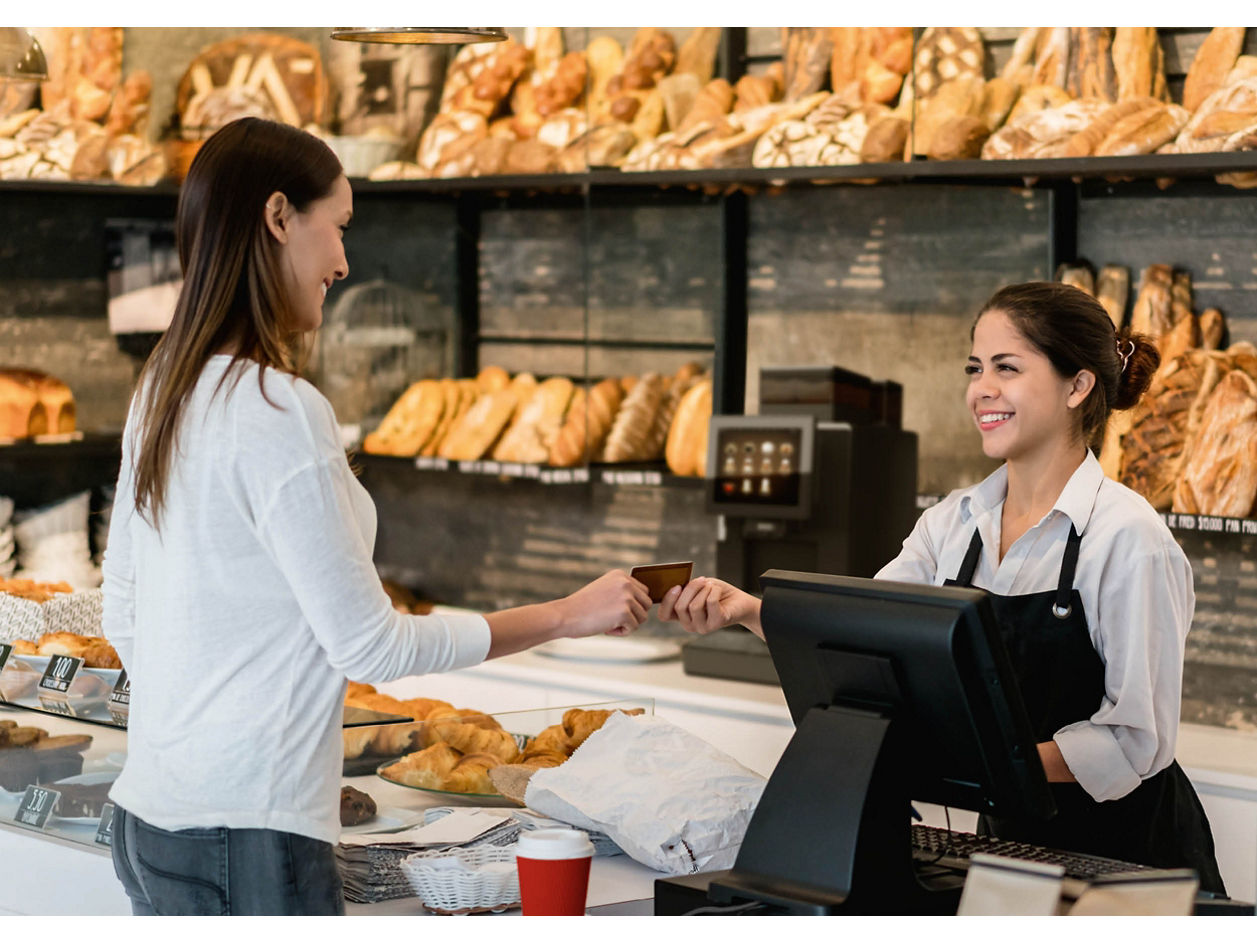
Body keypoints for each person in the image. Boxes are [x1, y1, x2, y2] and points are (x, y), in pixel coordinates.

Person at [100, 117, 652, 916]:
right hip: (250, 838)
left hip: (152, 816)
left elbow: (124, 605)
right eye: (340, 227)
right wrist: (567, 614)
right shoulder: (278, 406)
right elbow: (371, 644)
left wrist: (203, 732)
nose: (343, 262)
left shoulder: (165, 386)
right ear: (279, 216)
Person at [661, 280, 1225, 893]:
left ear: (1078, 385)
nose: (982, 388)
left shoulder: (1127, 538)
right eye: (975, 367)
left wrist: (979, 765)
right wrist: (746, 610)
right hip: (1007, 847)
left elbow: (1134, 739)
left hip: (1128, 865)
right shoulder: (954, 523)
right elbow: (859, 635)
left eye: (1007, 368)